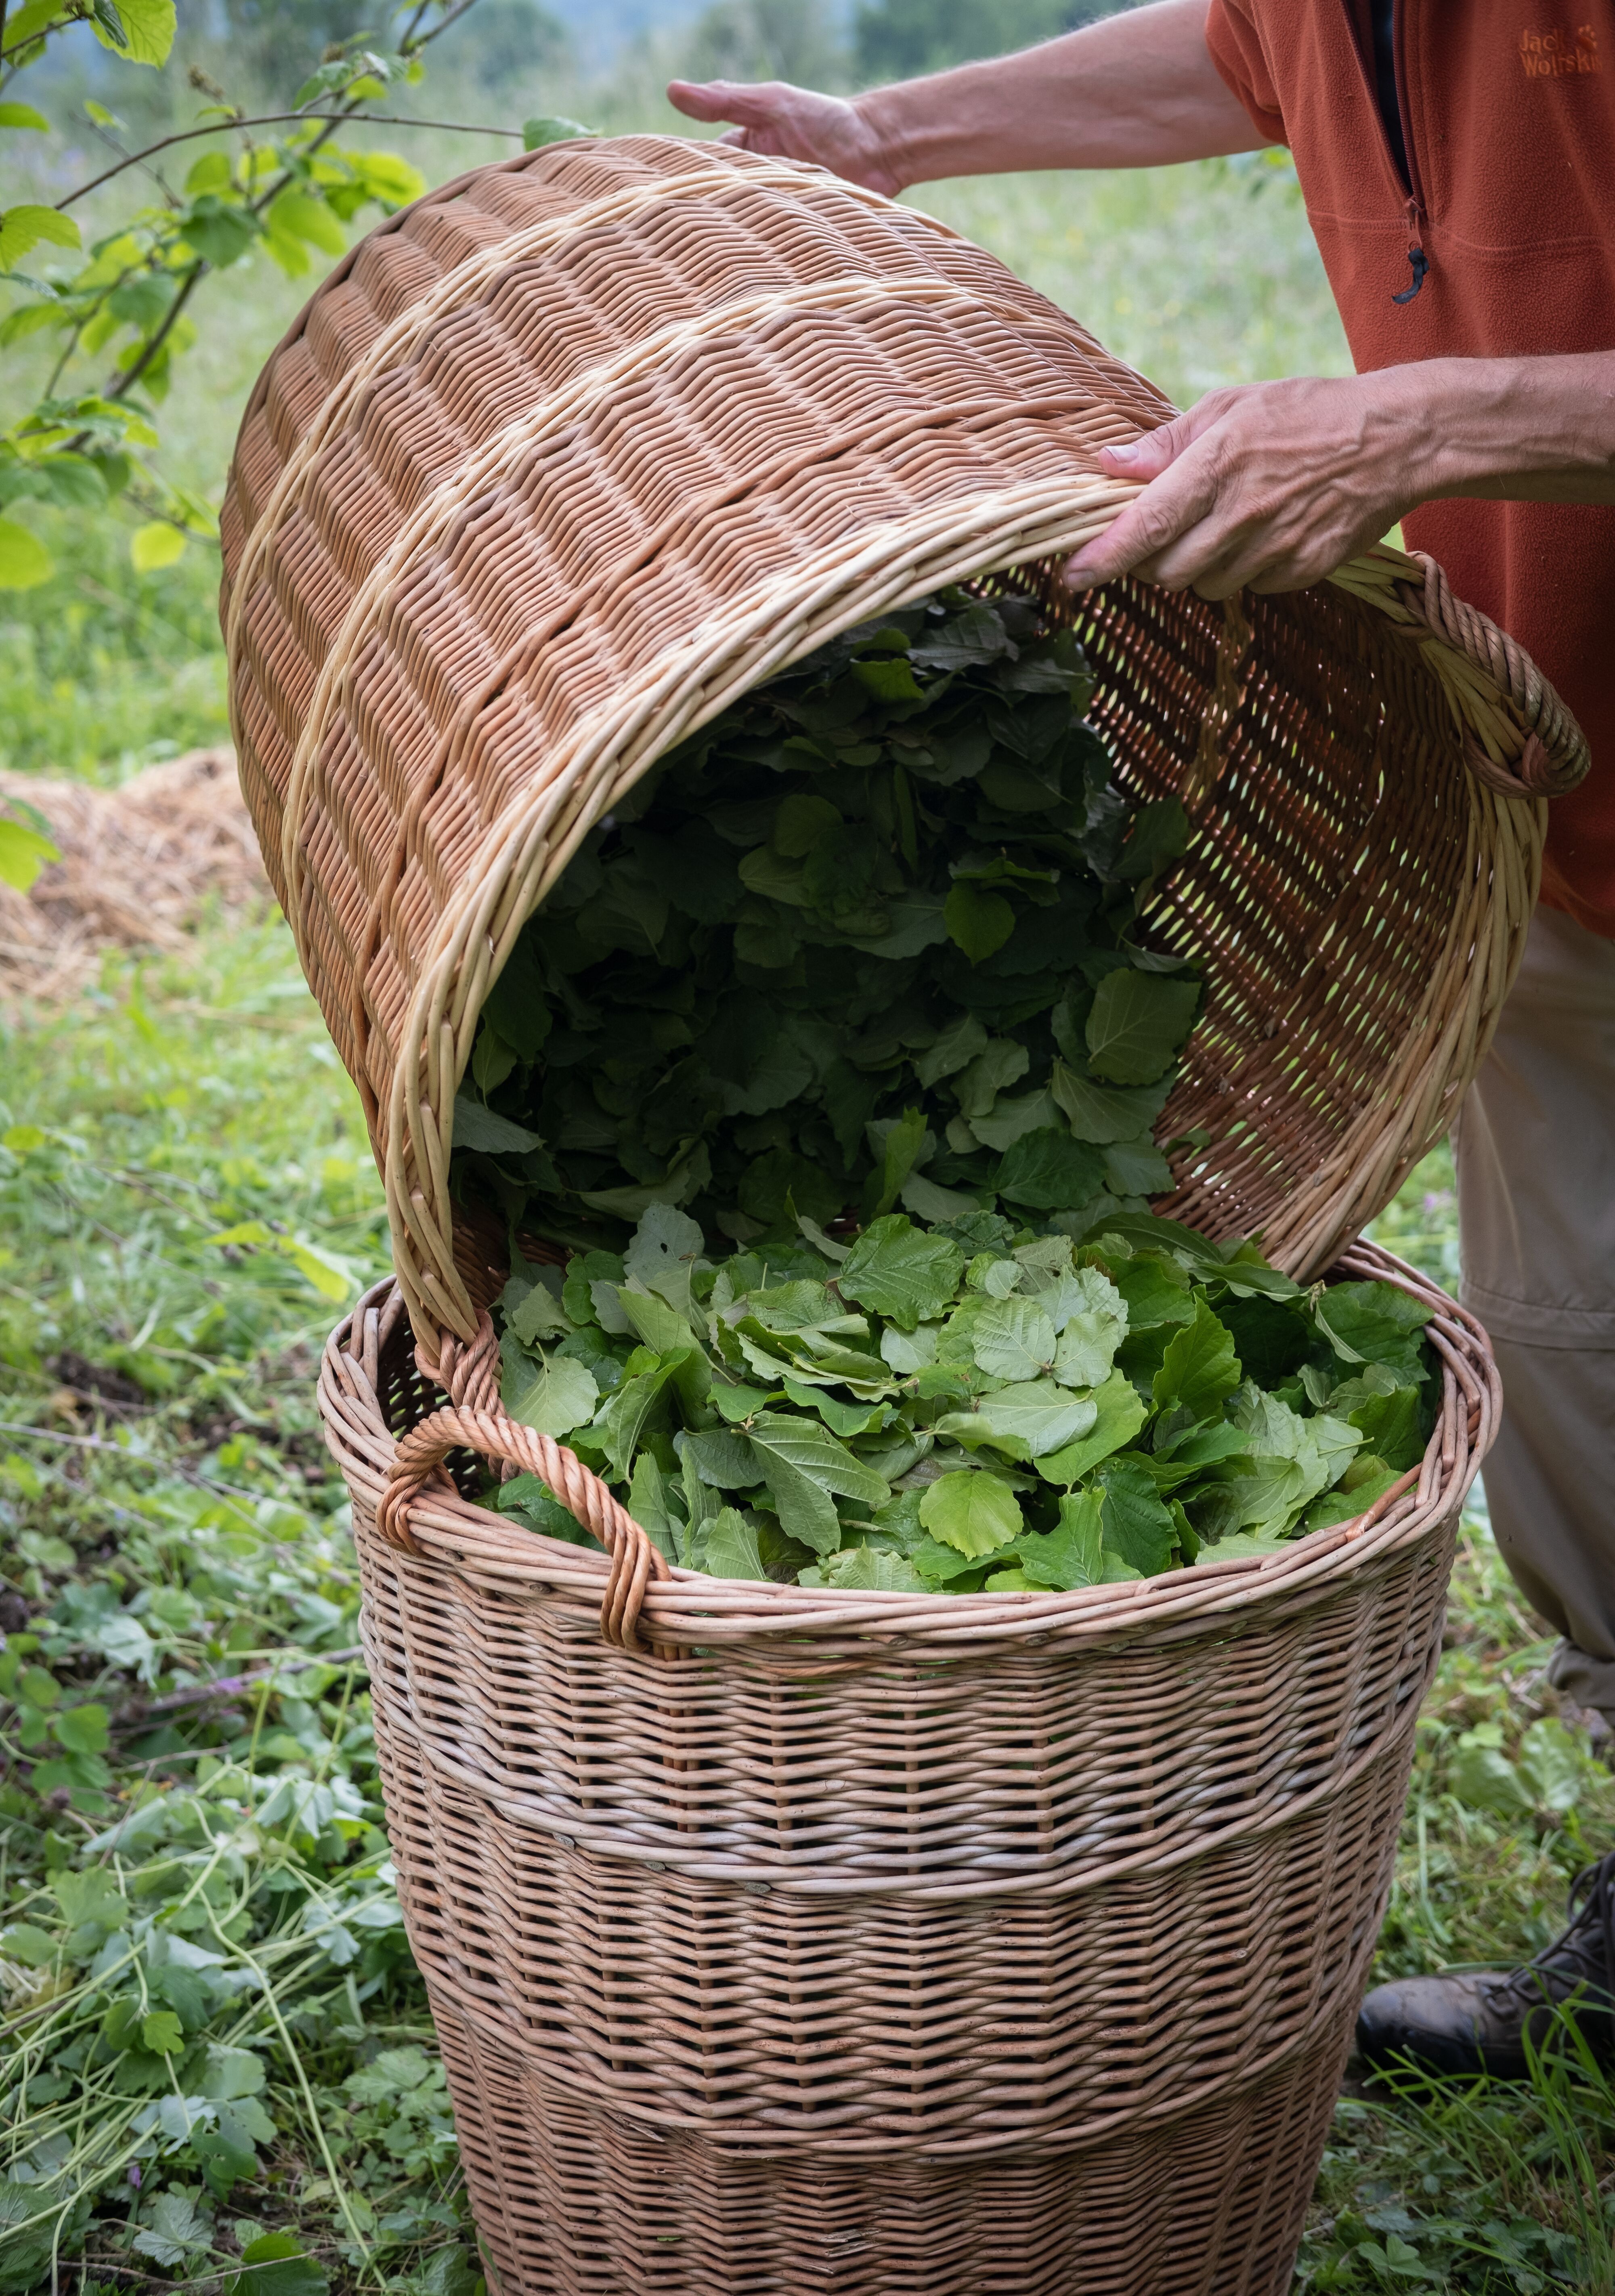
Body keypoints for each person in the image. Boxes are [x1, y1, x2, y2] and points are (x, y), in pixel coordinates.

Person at [668, 0, 1615, 2080]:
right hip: (1551, 806)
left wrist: (1420, 427)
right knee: (1584, 1368)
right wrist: (885, 135)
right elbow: (1241, 51)